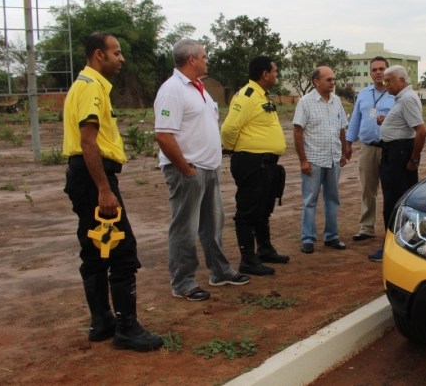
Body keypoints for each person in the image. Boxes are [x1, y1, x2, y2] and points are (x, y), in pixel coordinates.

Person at [62, 31, 163, 351]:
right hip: (95, 178)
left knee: (94, 250)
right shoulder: (92, 89)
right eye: (116, 53)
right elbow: (88, 141)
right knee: (122, 251)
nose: (122, 58)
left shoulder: (83, 85)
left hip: (83, 177)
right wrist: (104, 189)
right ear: (98, 55)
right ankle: (126, 328)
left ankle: (101, 321)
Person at [154, 38, 250, 302]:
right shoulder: (172, 90)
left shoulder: (200, 89)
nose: (208, 60)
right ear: (192, 60)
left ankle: (219, 271)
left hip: (208, 168)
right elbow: (163, 135)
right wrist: (185, 169)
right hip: (188, 170)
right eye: (205, 56)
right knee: (185, 227)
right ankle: (183, 282)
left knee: (212, 223)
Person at [220, 56, 289, 277]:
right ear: (265, 74)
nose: (276, 75)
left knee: (263, 208)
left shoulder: (262, 95)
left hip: (266, 162)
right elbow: (229, 129)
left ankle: (265, 249)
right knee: (248, 210)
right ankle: (248, 259)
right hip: (251, 161)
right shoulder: (247, 96)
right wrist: (233, 149)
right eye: (275, 71)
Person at [370, 65, 426, 262]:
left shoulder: (408, 99)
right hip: (394, 152)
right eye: (384, 81)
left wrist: (413, 159)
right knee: (394, 199)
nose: (386, 85)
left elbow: (421, 131)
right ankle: (402, 242)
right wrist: (387, 121)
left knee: (394, 202)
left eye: (389, 81)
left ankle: (392, 245)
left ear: (401, 81)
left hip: (399, 155)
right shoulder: (402, 99)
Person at [292, 66, 349, 254]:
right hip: (314, 159)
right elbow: (298, 132)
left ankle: (331, 236)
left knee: (333, 199)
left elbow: (342, 127)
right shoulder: (305, 102)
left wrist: (344, 150)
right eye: (328, 80)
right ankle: (308, 238)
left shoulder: (336, 101)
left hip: (333, 159)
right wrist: (303, 161)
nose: (333, 83)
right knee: (310, 200)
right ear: (316, 82)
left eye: (333, 79)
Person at [344, 56, 395, 242]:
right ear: (370, 73)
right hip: (367, 148)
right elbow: (355, 119)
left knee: (391, 189)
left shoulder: (396, 94)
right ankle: (366, 228)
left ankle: (392, 229)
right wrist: (348, 143)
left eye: (382, 69)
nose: (378, 72)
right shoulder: (364, 94)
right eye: (374, 70)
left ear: (388, 71)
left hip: (390, 148)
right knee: (368, 189)